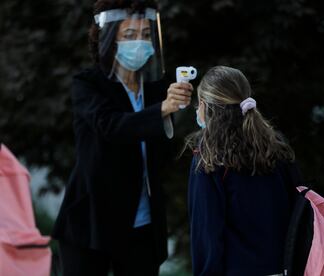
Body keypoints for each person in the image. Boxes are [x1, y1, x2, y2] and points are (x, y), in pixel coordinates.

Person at [52, 0, 193, 275]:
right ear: (108, 39)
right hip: (91, 223)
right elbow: (111, 126)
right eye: (129, 35)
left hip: (142, 223)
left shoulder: (155, 88)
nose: (139, 42)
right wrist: (162, 110)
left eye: (144, 34)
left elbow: (161, 151)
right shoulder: (88, 84)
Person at [186, 66, 296, 276]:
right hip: (284, 268)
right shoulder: (276, 147)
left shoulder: (209, 156)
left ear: (203, 106)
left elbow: (207, 232)